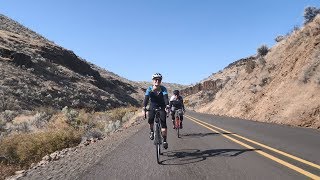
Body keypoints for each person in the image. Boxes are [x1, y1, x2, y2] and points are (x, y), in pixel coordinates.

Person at [143, 73, 169, 149]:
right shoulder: (149, 89)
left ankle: (164, 140)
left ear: (161, 81)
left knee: (163, 123)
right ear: (153, 80)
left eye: (159, 80)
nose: (157, 81)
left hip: (162, 107)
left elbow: (166, 98)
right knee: (150, 120)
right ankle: (151, 131)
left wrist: (167, 105)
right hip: (152, 107)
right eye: (155, 79)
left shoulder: (163, 89)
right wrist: (144, 107)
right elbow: (146, 98)